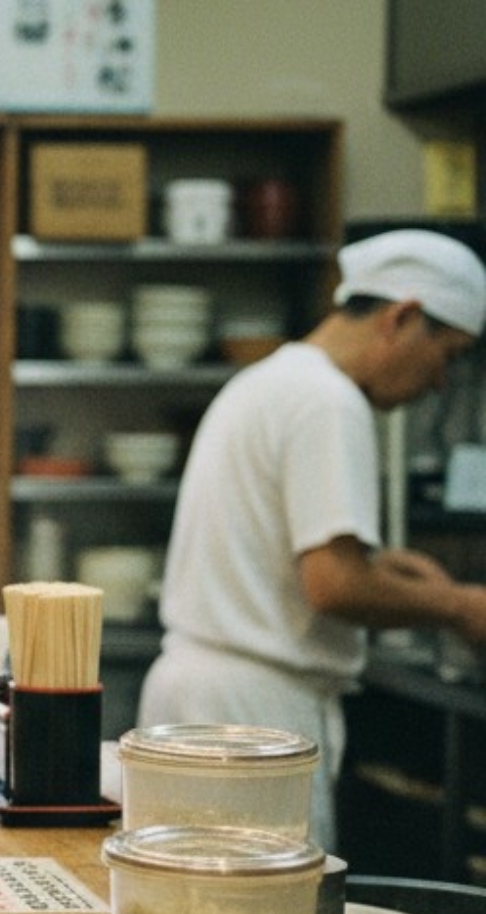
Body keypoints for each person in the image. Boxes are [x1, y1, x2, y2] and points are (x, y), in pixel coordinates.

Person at [140, 229, 486, 850]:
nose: (439, 384)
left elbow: (289, 553)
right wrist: (459, 606)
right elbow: (333, 585)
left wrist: (386, 568)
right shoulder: (329, 403)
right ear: (402, 317)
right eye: (449, 356)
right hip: (252, 721)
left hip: (200, 696)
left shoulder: (272, 380)